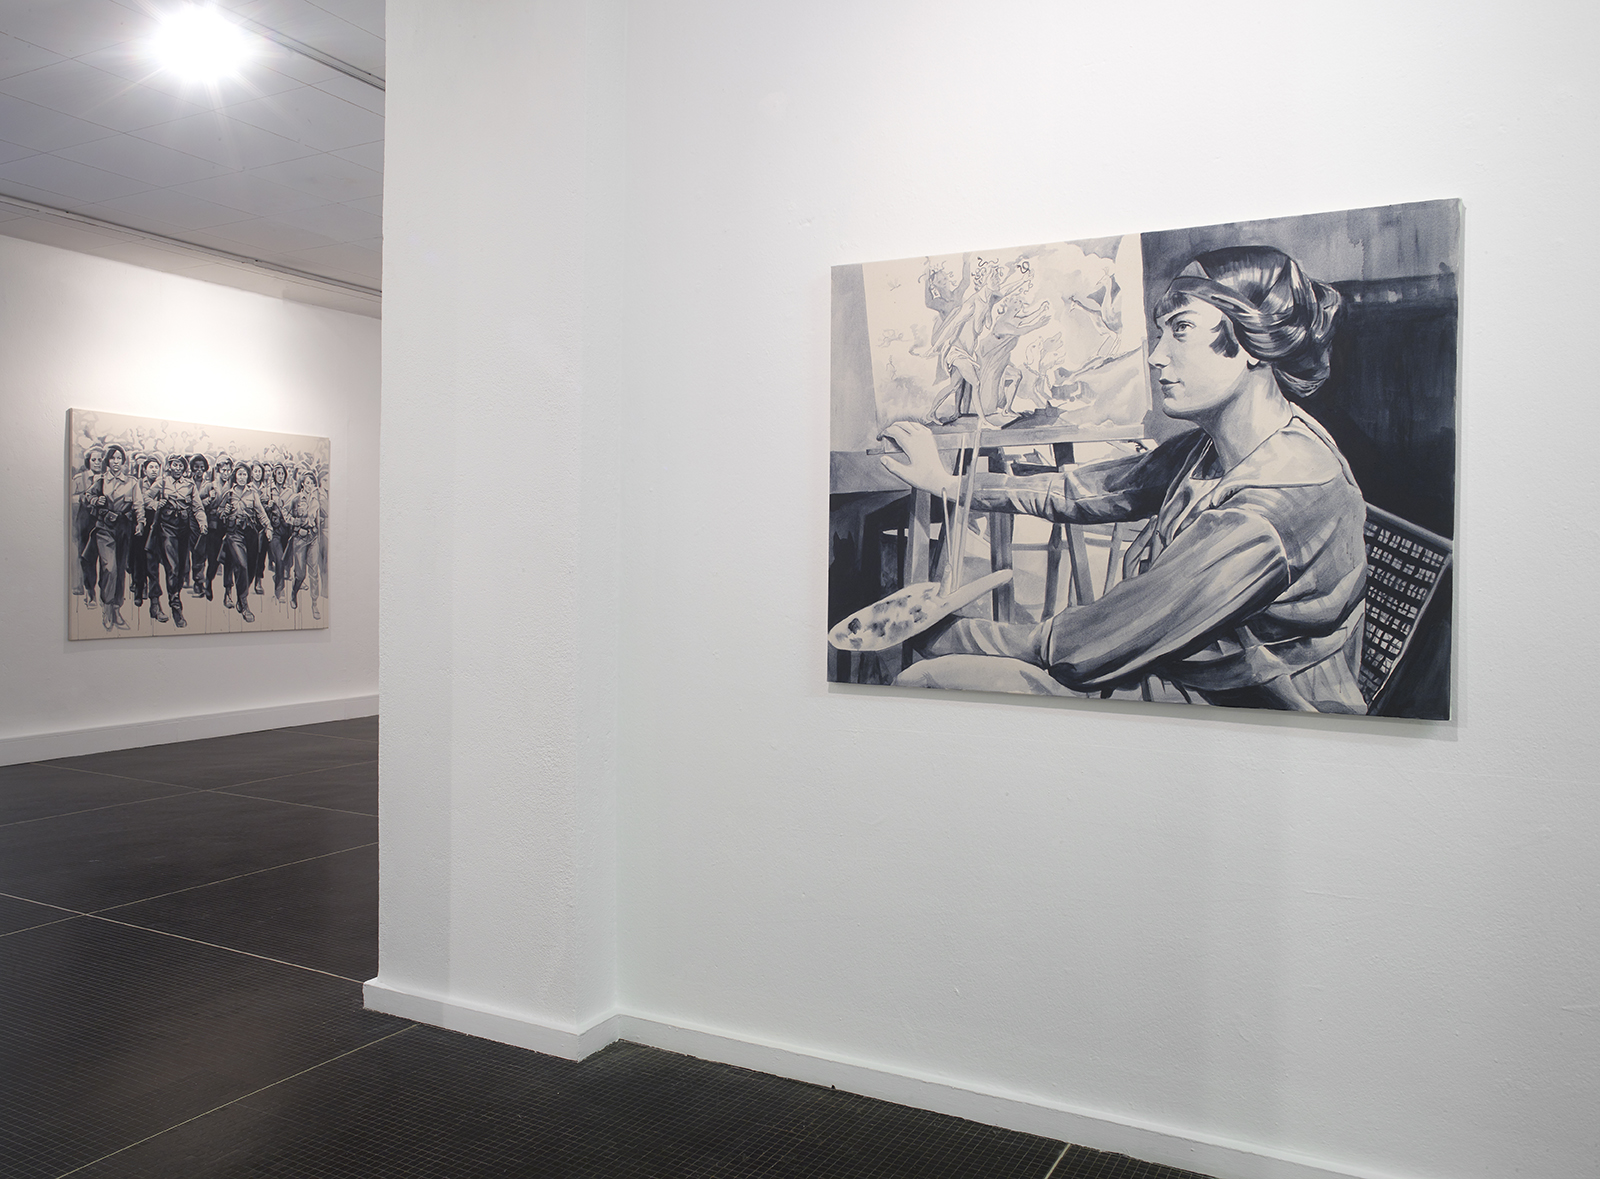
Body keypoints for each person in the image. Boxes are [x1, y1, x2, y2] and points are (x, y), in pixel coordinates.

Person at [879, 246, 1368, 713]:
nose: (1156, 356)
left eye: (1181, 329)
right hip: (1186, 676)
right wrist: (948, 484)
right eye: (1161, 333)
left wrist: (951, 634)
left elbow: (1095, 645)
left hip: (1245, 713)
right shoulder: (1230, 445)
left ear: (1253, 342)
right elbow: (1088, 491)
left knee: (925, 680)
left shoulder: (1273, 504)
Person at [81, 444, 145, 632]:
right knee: (109, 568)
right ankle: (107, 608)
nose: (116, 462)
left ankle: (117, 609)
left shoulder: (131, 482)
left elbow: (138, 504)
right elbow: (87, 496)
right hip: (105, 528)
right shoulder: (101, 481)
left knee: (120, 570)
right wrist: (95, 500)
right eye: (112, 458)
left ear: (123, 461)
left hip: (124, 530)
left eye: (119, 458)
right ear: (107, 461)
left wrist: (141, 522)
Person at [144, 452, 207, 627]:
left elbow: (198, 507)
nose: (177, 468)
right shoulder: (162, 482)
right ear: (169, 466)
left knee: (182, 569)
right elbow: (146, 497)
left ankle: (175, 595)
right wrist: (155, 504)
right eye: (174, 465)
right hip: (166, 528)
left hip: (183, 530)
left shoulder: (189, 485)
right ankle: (176, 606)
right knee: (172, 567)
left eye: (180, 465)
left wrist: (203, 523)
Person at [216, 461, 271, 624]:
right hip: (234, 533)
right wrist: (224, 512)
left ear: (248, 476)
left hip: (250, 533)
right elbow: (219, 511)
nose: (241, 477)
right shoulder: (229, 493)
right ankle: (244, 603)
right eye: (239, 474)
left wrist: (268, 527)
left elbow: (261, 512)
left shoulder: (253, 493)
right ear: (235, 476)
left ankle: (240, 595)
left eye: (244, 474)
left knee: (251, 568)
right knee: (242, 565)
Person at [287, 470, 322, 621]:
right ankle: (293, 593)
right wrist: (296, 526)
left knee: (314, 573)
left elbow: (318, 519)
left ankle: (314, 604)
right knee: (301, 574)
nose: (310, 485)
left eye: (312, 483)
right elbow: (285, 513)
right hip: (300, 538)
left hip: (312, 537)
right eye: (307, 483)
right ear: (302, 484)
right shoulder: (295, 498)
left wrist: (317, 533)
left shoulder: (315, 499)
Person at [71, 447, 104, 606]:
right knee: (86, 557)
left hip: (102, 521)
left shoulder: (107, 478)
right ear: (88, 461)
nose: (97, 463)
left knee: (105, 558)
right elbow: (70, 498)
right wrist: (83, 497)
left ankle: (105, 594)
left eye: (100, 460)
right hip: (85, 522)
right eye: (94, 460)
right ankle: (90, 591)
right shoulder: (80, 478)